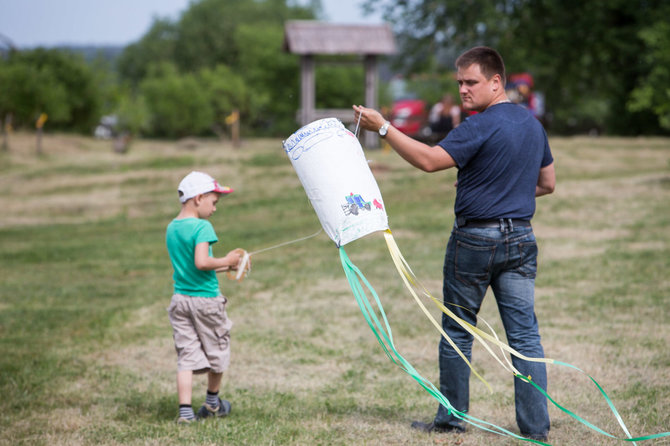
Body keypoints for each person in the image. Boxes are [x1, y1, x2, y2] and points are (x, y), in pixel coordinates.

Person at [352, 46, 555, 442]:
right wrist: (506, 192)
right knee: (526, 339)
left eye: (471, 82)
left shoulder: (479, 125)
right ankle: (536, 430)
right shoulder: (533, 124)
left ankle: (450, 420)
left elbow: (429, 160)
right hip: (521, 237)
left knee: (458, 331)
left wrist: (382, 127)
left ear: (496, 82)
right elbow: (547, 185)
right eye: (459, 82)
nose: (463, 89)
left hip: (475, 240)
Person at [166, 171, 245, 423]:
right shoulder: (202, 226)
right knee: (218, 351)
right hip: (206, 302)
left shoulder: (173, 227)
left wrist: (227, 267)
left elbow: (194, 265)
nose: (215, 208)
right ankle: (212, 403)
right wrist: (228, 259)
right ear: (198, 198)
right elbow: (202, 262)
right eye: (214, 202)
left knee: (186, 357)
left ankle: (185, 412)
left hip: (181, 301)